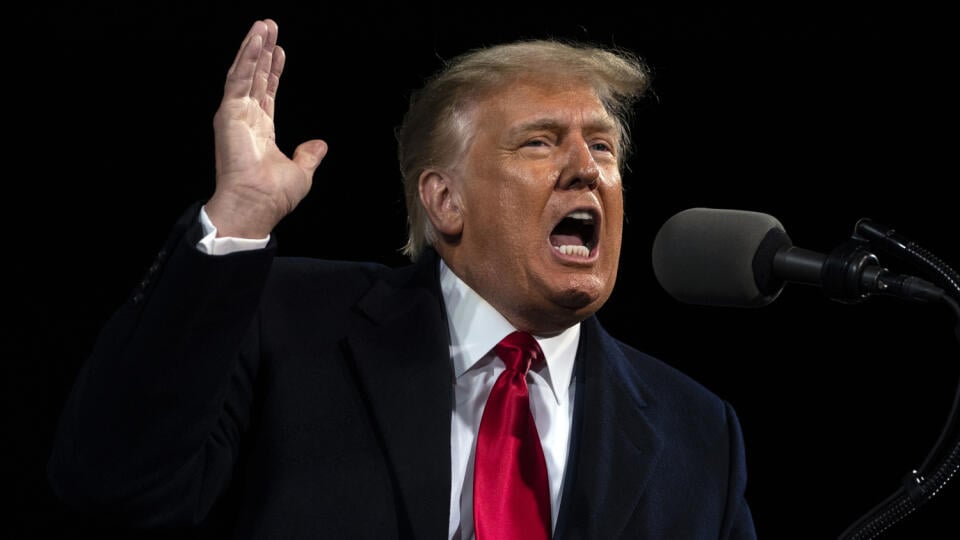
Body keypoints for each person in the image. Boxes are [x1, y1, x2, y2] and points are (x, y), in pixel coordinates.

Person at [48, 18, 757, 539]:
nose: (586, 169)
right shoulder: (289, 325)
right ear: (445, 201)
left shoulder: (698, 434)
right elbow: (113, 487)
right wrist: (235, 219)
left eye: (601, 146)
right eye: (540, 141)